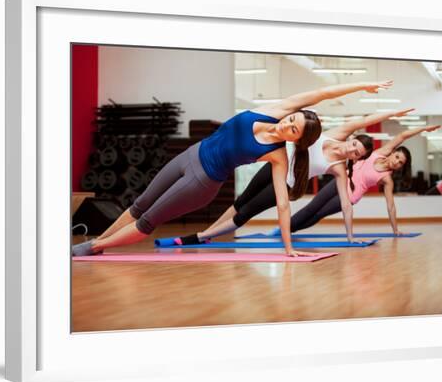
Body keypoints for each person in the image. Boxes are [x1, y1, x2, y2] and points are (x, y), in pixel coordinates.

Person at [72, 80, 393, 257]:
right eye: (291, 120)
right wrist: (362, 85)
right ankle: (101, 240)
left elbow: (283, 203)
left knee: (148, 219)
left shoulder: (278, 156)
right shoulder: (274, 110)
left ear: (297, 141)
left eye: (293, 130)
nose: (287, 126)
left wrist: (289, 246)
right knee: (139, 204)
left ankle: (92, 246)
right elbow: (322, 93)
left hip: (202, 180)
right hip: (190, 154)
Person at [175, 108, 415, 245]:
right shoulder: (336, 133)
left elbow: (345, 203)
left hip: (287, 184)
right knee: (240, 201)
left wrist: (350, 236)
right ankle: (210, 232)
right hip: (274, 165)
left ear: (357, 158)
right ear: (351, 139)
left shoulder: (339, 169)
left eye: (356, 154)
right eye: (354, 145)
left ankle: (200, 236)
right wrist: (393, 113)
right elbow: (365, 120)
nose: (351, 150)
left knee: (247, 212)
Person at [265, 124, 441, 237]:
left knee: (319, 214)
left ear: (401, 167)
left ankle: (288, 230)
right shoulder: (379, 152)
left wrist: (395, 230)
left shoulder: (387, 179)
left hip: (351, 196)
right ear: (392, 153)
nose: (396, 162)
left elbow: (391, 206)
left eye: (400, 163)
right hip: (339, 182)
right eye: (397, 157)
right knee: (311, 207)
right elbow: (402, 136)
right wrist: (423, 129)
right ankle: (281, 229)